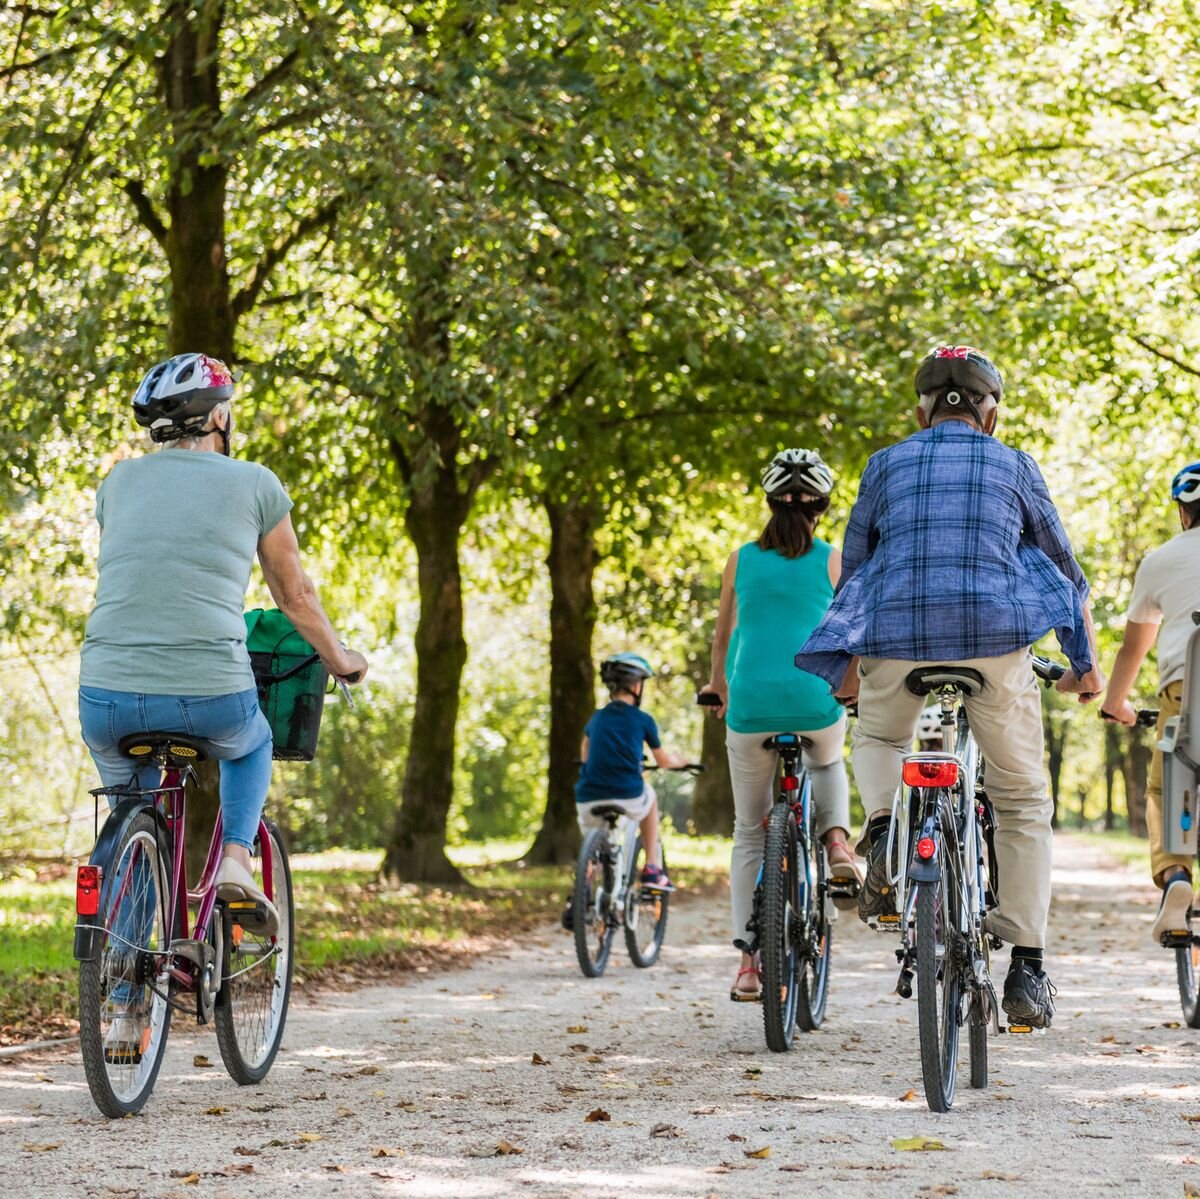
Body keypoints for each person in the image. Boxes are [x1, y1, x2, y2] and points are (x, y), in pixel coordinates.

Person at [795, 345, 1104, 1030]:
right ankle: (1027, 966)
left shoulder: (884, 464)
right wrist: (1083, 665)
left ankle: (882, 832)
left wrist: (848, 649)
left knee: (878, 732)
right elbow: (1065, 572)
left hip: (896, 640)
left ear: (921, 410)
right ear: (991, 413)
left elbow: (857, 568)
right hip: (996, 643)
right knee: (1022, 797)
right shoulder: (1016, 464)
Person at [80, 353, 367, 1044]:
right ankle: (237, 854)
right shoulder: (256, 483)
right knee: (252, 739)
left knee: (130, 810)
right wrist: (343, 661)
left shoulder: (116, 484)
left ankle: (121, 1004)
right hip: (209, 689)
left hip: (105, 695)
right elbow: (294, 595)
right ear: (216, 416)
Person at [701, 448, 858, 1003]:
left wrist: (717, 688)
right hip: (814, 699)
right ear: (822, 506)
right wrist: (852, 687)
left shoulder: (740, 559)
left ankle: (748, 964)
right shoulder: (833, 558)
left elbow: (724, 636)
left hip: (750, 707)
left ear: (770, 502)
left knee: (749, 832)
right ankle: (838, 844)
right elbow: (850, 634)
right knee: (829, 755)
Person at [1101, 462, 1200, 944]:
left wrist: (1114, 702)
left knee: (1165, 791)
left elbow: (1133, 648)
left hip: (1186, 696)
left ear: (1184, 513)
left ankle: (1177, 877)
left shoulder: (1160, 560)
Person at [563, 653, 688, 930]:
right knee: (650, 796)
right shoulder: (642, 720)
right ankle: (653, 869)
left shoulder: (596, 718)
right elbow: (663, 761)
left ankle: (579, 896)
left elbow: (585, 753)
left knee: (596, 848)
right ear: (636, 686)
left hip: (588, 796)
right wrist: (680, 762)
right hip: (627, 793)